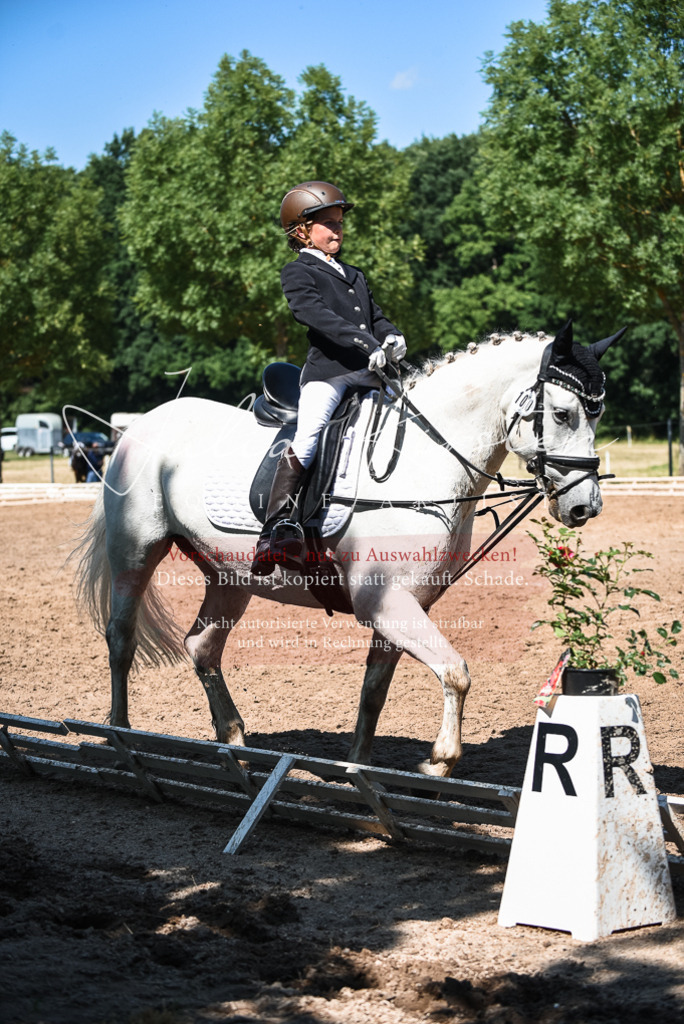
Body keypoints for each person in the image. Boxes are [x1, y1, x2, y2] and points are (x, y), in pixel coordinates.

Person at [251, 181, 406, 577]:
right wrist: (363, 340)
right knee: (309, 434)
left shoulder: (354, 274)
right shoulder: (297, 272)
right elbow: (313, 315)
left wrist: (391, 335)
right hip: (329, 373)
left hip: (370, 372)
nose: (337, 231)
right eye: (328, 224)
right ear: (302, 231)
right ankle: (277, 526)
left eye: (339, 224)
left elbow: (376, 315)